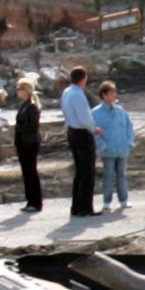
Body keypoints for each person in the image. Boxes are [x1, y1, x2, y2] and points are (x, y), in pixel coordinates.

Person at [60, 65, 97, 217]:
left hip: (72, 131)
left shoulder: (66, 92)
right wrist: (94, 128)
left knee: (79, 170)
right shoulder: (78, 94)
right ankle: (85, 207)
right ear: (84, 79)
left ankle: (76, 206)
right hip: (82, 133)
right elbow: (84, 117)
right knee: (87, 171)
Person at [93, 81, 134, 210]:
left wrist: (129, 143)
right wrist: (102, 145)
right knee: (108, 175)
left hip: (122, 149)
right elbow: (94, 132)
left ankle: (124, 200)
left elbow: (129, 127)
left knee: (122, 174)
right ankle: (107, 201)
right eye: (111, 93)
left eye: (114, 92)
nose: (114, 95)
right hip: (108, 150)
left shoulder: (120, 111)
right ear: (104, 95)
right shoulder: (96, 113)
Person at [12, 75, 44, 211]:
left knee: (31, 171)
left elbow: (32, 126)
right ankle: (30, 200)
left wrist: (16, 128)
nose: (18, 91)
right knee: (26, 172)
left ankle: (35, 202)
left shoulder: (32, 106)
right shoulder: (24, 105)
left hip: (29, 142)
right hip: (23, 142)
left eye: (20, 89)